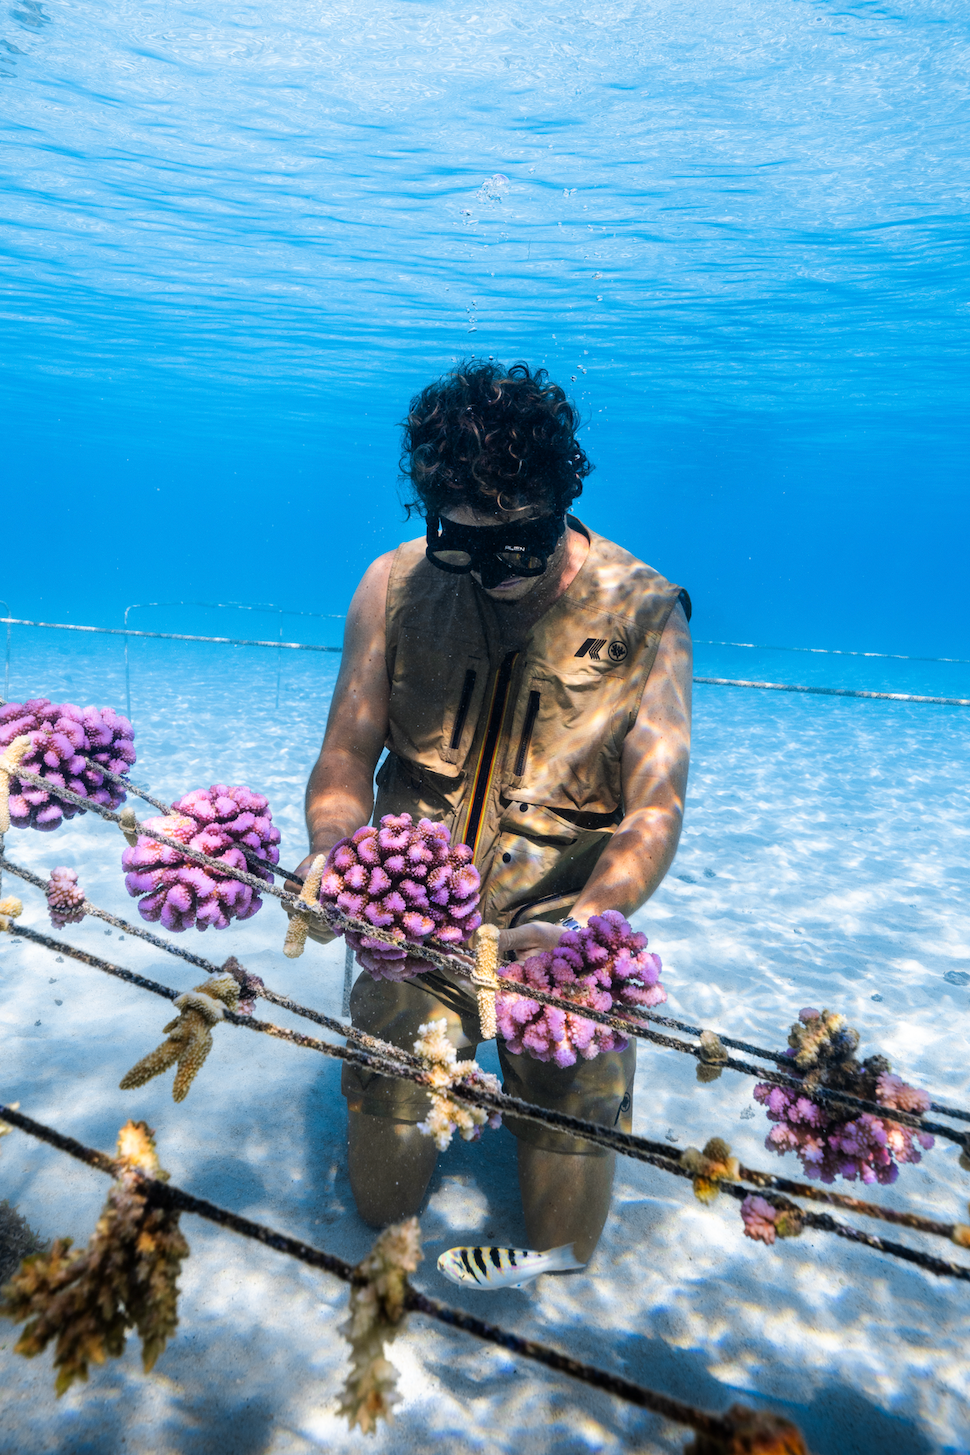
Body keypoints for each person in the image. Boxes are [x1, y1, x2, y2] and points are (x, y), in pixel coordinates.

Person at [289, 360, 692, 1262]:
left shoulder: (650, 612)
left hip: (560, 946)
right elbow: (347, 756)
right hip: (416, 937)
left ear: (565, 495)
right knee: (376, 1215)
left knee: (563, 1249)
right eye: (460, 544)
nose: (492, 570)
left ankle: (563, 1098)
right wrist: (330, 851)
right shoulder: (390, 586)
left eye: (520, 542)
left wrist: (588, 928)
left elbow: (653, 811)